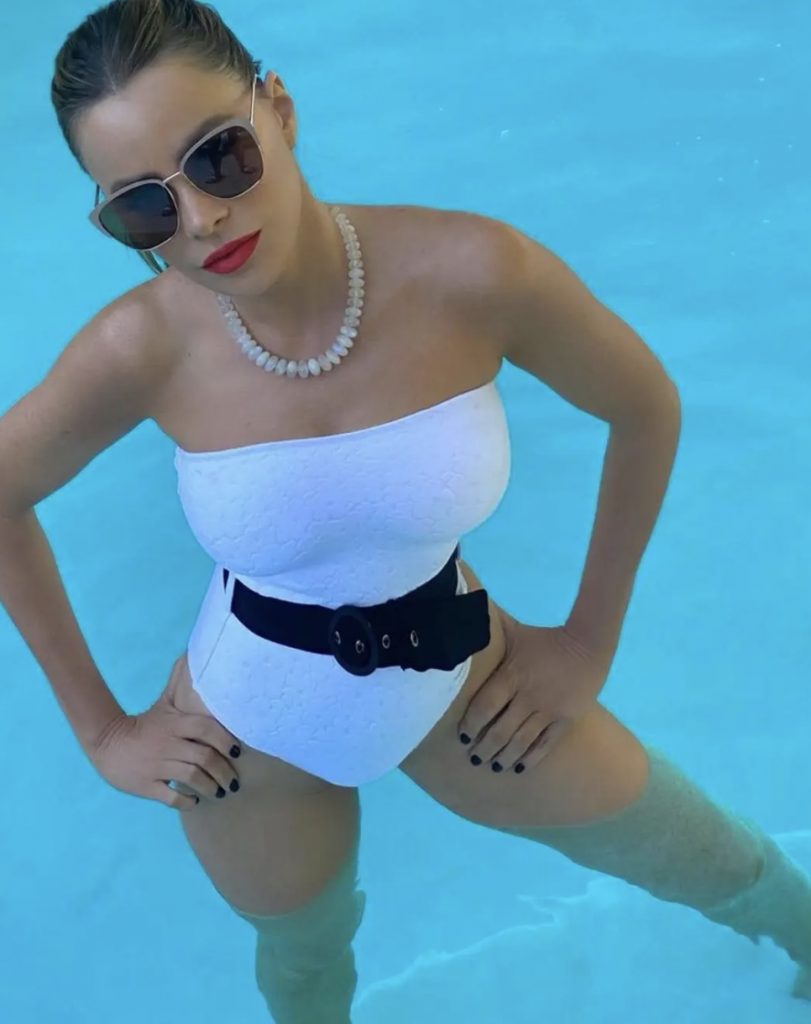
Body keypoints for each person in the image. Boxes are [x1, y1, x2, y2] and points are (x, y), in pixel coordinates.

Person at [0, 1, 808, 1019]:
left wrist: (586, 641)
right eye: (144, 210)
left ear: (278, 108)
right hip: (250, 729)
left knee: (712, 860)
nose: (200, 220)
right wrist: (103, 731)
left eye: (218, 157)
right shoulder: (141, 347)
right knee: (307, 966)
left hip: (466, 682)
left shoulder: (472, 271)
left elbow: (643, 405)